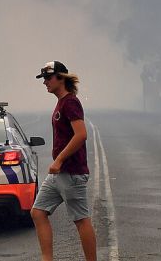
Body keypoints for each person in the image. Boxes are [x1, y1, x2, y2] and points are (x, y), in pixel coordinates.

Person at [31, 60, 96, 261]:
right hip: (59, 174)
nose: (45, 83)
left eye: (48, 78)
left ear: (61, 77)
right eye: (44, 79)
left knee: (81, 220)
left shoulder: (70, 102)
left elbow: (81, 134)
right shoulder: (61, 102)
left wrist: (58, 160)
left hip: (72, 172)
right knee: (38, 212)